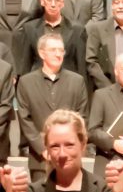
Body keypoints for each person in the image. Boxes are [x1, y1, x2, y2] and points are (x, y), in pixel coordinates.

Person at [16, 33, 89, 182]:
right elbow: (25, 119)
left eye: (61, 50)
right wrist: (43, 148)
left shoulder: (77, 81)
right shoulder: (25, 82)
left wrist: (68, 148)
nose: (58, 54)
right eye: (53, 50)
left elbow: (82, 117)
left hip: (70, 158)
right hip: (40, 159)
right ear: (42, 53)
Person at [13, 0, 87, 81]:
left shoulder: (77, 30)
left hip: (68, 82)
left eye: (57, 0)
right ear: (42, 1)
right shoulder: (29, 28)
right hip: (38, 82)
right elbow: (26, 64)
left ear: (62, 3)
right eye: (49, 0)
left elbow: (81, 66)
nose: (53, 4)